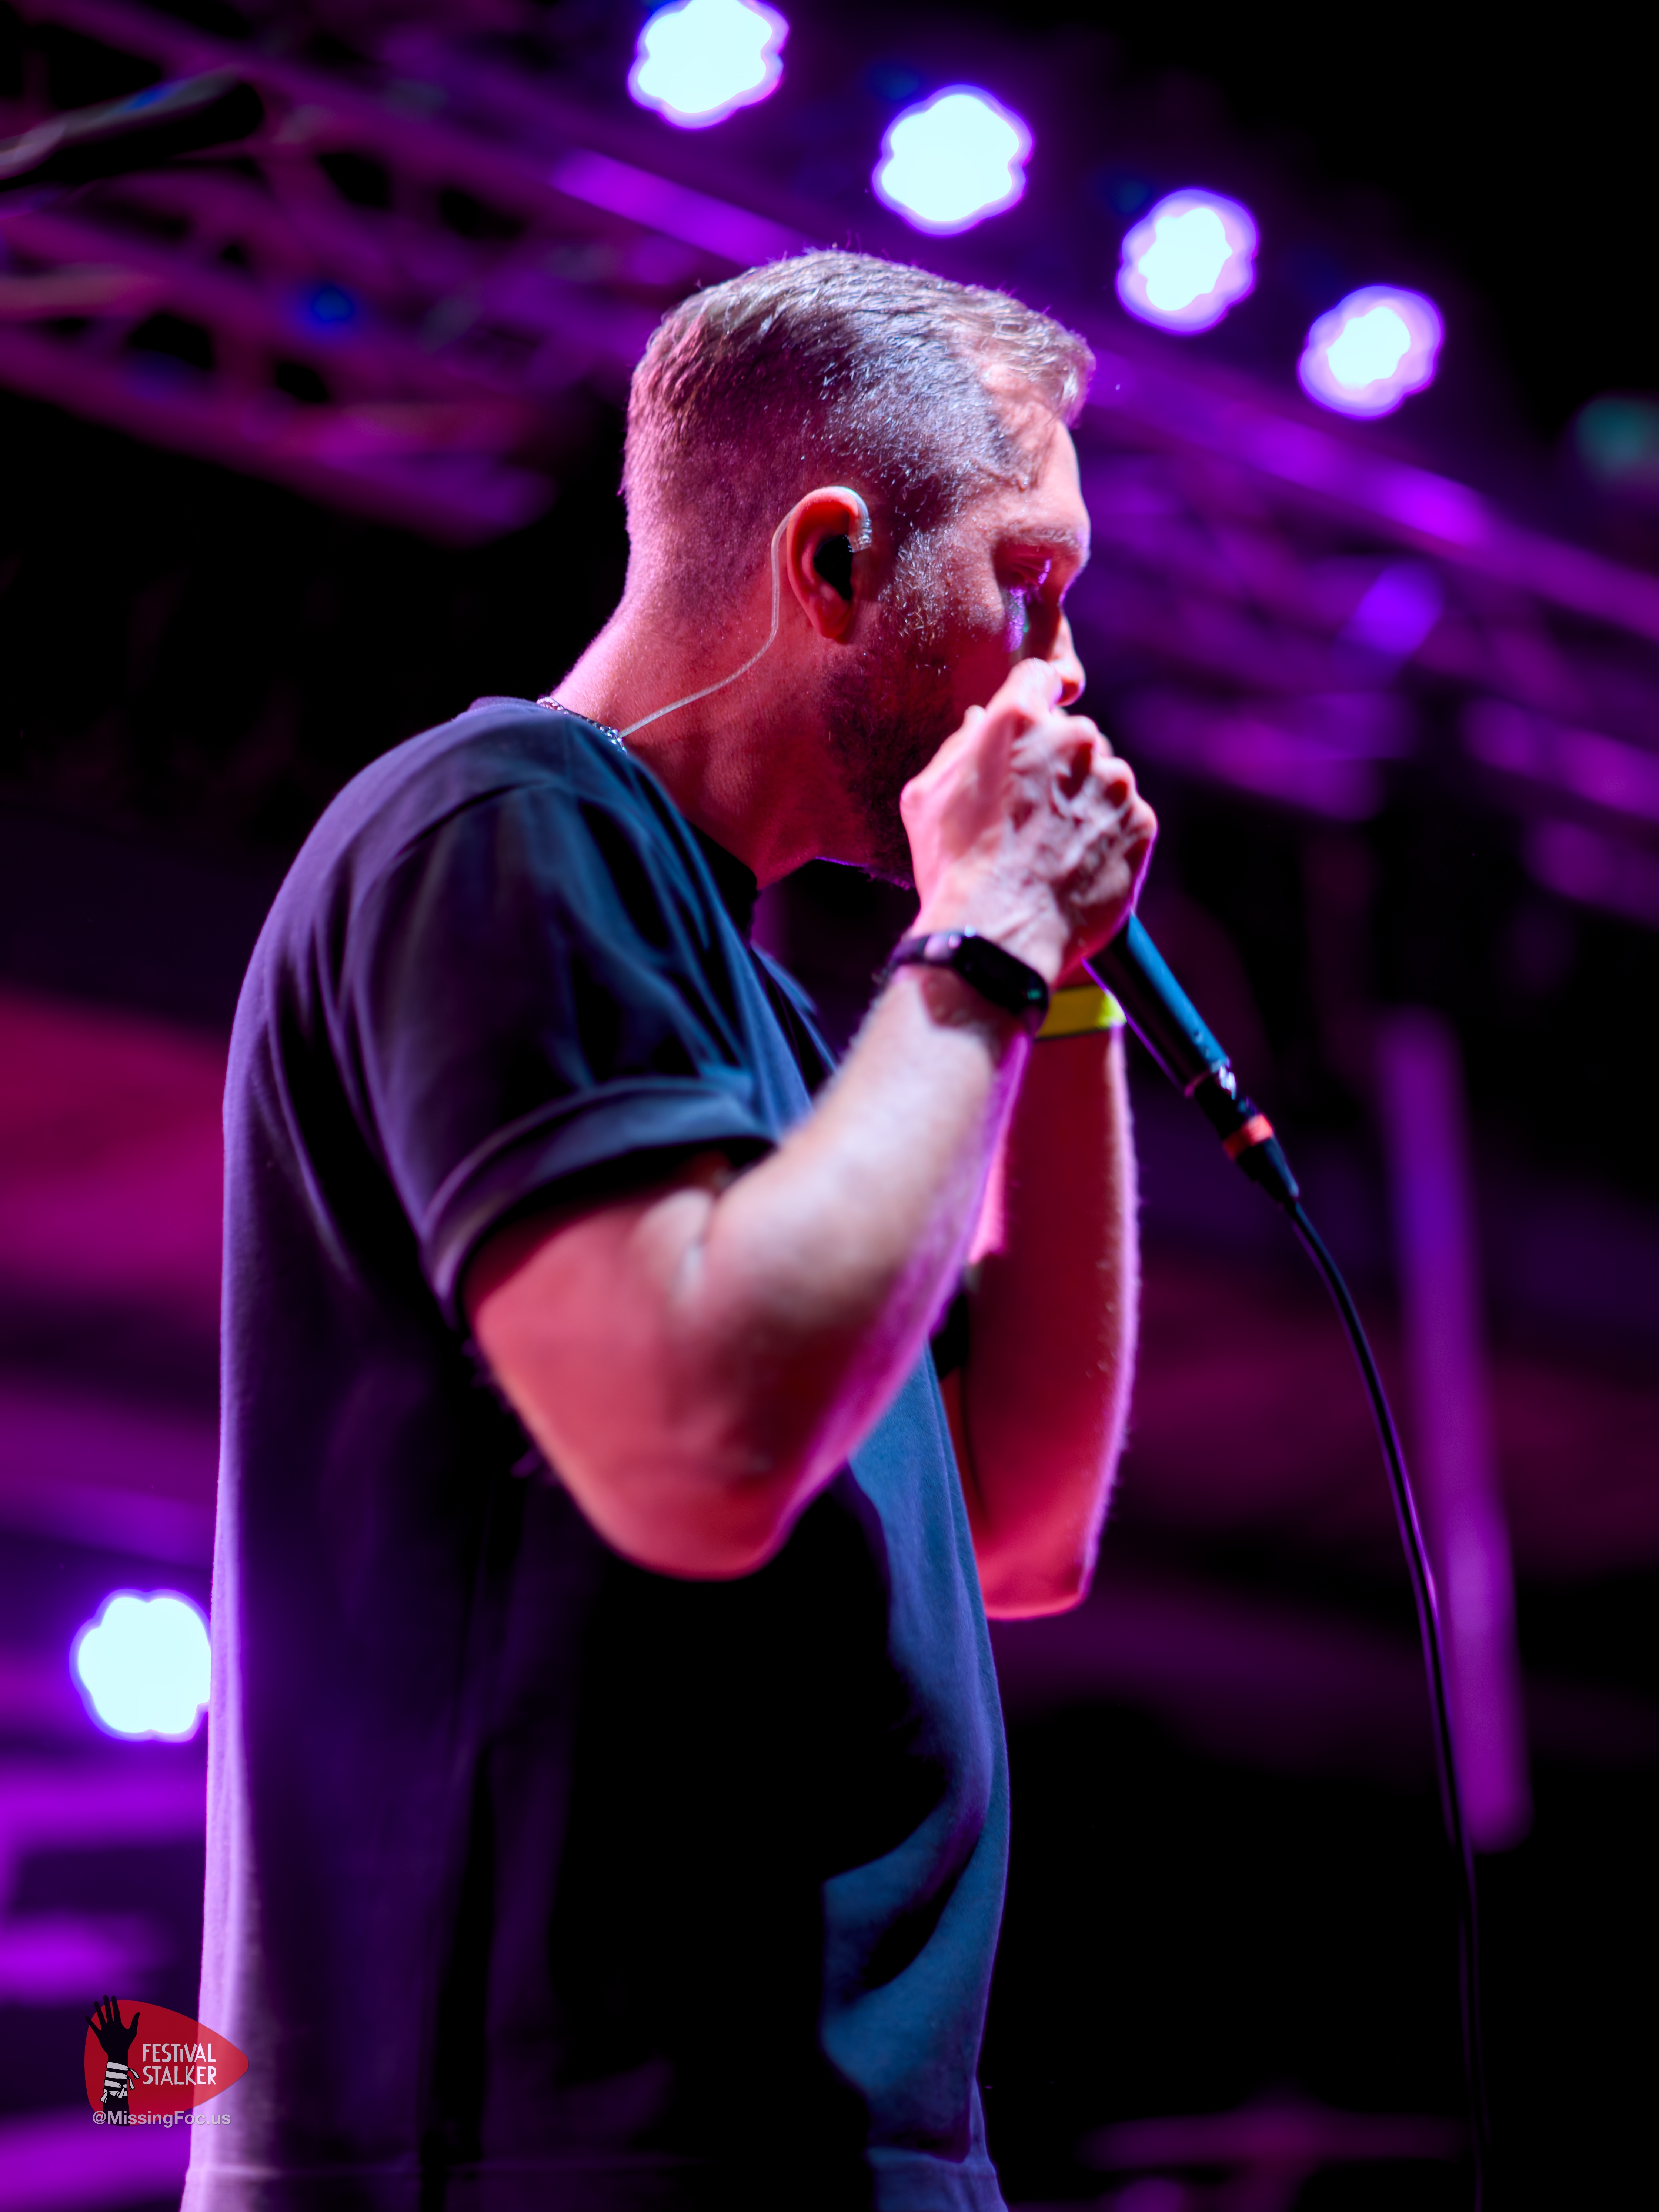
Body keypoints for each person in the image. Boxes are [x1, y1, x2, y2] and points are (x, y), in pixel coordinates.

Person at [188, 251, 1156, 2212]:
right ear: (833, 564)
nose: (1059, 670)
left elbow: (1022, 1521)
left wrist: (1057, 988)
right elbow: (703, 1444)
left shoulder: (782, 1027)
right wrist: (985, 934)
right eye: (1027, 582)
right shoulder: (495, 823)